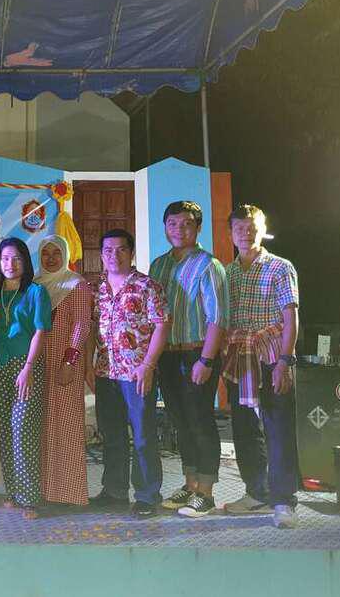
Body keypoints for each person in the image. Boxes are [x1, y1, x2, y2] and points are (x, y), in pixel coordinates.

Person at [220, 205, 300, 528]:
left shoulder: (280, 267)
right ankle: (256, 492)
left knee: (278, 428)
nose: (246, 233)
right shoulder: (227, 272)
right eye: (239, 228)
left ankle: (284, 501)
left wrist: (285, 361)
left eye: (252, 227)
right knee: (244, 428)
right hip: (239, 356)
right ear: (230, 233)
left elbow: (291, 318)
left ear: (263, 229)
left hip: (271, 354)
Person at [149, 201, 229, 518]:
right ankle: (190, 484)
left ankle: (206, 493)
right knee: (180, 421)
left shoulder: (209, 265)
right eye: (172, 223)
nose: (179, 229)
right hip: (168, 355)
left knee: (200, 420)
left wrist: (206, 361)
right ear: (165, 227)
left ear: (198, 228)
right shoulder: (158, 266)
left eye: (186, 224)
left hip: (198, 353)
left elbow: (217, 318)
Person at [90, 229, 169, 518]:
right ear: (101, 255)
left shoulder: (148, 286)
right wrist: (88, 367)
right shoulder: (97, 290)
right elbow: (92, 329)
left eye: (121, 249)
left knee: (143, 436)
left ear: (131, 252)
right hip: (106, 373)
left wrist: (148, 366)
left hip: (137, 375)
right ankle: (114, 491)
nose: (114, 255)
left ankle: (148, 496)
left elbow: (162, 325)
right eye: (108, 250)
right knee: (112, 435)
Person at [0, 237, 51, 519]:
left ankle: (30, 499)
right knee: (5, 431)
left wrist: (28, 367)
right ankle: (13, 492)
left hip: (26, 367)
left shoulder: (37, 292)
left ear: (25, 261)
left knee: (23, 429)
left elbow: (40, 331)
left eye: (16, 258)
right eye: (5, 258)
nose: (10, 264)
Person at [35, 235, 91, 507]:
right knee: (41, 428)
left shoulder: (75, 284)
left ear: (65, 254)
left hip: (64, 362)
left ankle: (68, 494)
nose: (51, 258)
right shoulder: (36, 283)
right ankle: (43, 492)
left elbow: (82, 324)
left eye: (56, 252)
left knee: (66, 427)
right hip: (38, 363)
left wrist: (70, 362)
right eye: (45, 253)